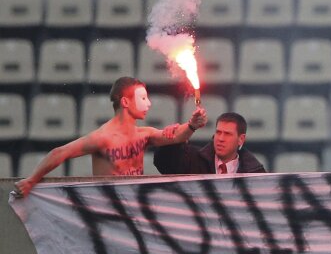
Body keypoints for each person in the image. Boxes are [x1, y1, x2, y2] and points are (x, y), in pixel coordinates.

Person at [13, 76, 207, 197]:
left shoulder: (144, 134)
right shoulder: (103, 137)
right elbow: (60, 152)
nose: (148, 104)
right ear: (125, 102)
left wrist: (192, 125)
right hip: (107, 207)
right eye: (142, 98)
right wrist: (32, 180)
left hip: (134, 205)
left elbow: (175, 137)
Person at [152, 112, 268, 175]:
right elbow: (163, 162)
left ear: (241, 139)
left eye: (227, 134)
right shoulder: (194, 159)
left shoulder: (255, 172)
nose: (221, 138)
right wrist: (173, 139)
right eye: (218, 132)